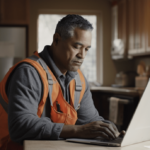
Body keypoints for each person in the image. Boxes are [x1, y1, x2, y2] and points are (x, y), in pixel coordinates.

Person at [0, 14, 125, 150]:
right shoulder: (28, 73)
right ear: (56, 39)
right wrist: (78, 130)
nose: (82, 55)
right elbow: (20, 127)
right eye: (77, 46)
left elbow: (90, 121)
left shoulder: (79, 80)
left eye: (86, 49)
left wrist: (108, 130)